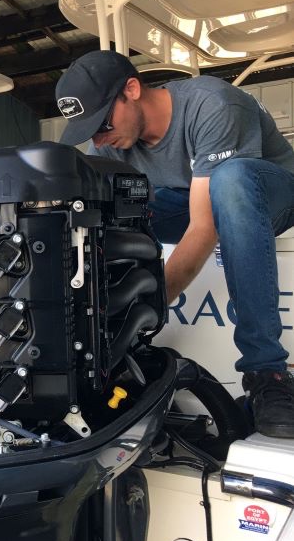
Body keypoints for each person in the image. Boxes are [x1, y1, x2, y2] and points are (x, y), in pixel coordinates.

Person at [55, 50, 294, 438]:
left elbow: (204, 227)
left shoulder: (214, 104)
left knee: (229, 180)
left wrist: (142, 310)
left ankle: (266, 372)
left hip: (269, 197)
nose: (99, 138)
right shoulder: (110, 143)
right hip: (195, 198)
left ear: (131, 90)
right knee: (103, 201)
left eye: (102, 123)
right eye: (89, 132)